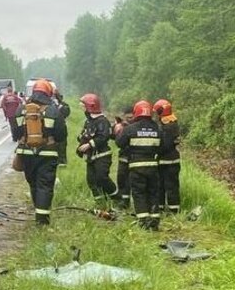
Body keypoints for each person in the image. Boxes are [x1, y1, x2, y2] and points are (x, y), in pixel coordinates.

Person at [12, 79, 63, 225]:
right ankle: (42, 221)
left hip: (26, 153)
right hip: (48, 154)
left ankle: (38, 211)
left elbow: (15, 133)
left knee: (33, 183)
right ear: (48, 93)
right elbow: (61, 134)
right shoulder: (52, 110)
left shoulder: (21, 109)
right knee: (45, 186)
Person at [115, 100, 162, 230]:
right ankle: (155, 220)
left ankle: (143, 220)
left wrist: (120, 130)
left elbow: (119, 143)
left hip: (136, 167)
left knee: (139, 193)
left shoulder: (130, 128)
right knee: (153, 192)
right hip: (153, 166)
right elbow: (162, 146)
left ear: (136, 112)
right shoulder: (157, 127)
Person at [77, 93, 117, 205]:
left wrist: (89, 144)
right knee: (91, 180)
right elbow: (84, 134)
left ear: (91, 107)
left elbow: (103, 137)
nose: (83, 109)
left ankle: (117, 198)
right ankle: (100, 203)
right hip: (91, 157)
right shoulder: (89, 121)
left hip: (102, 156)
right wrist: (81, 141)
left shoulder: (102, 121)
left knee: (102, 178)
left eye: (84, 106)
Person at [153, 99, 181, 218]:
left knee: (169, 186)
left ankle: (173, 211)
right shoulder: (171, 122)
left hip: (167, 161)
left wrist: (155, 151)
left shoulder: (168, 126)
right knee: (162, 185)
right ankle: (162, 207)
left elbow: (165, 145)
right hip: (170, 160)